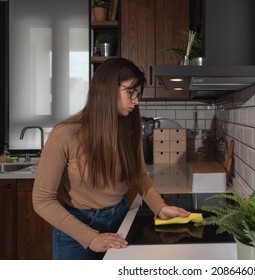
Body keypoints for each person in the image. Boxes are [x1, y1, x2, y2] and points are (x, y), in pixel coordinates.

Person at [32, 58, 190, 260]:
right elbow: (42, 200)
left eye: (138, 94)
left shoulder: (129, 131)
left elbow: (140, 176)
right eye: (131, 92)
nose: (136, 100)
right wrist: (90, 238)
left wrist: (161, 207)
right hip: (76, 231)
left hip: (119, 223)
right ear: (107, 89)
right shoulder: (65, 134)